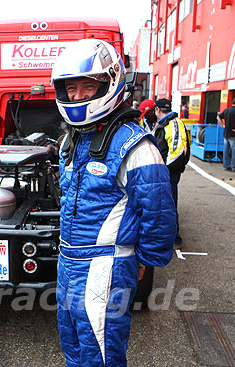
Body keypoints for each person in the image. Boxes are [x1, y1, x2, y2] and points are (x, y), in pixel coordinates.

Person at [51, 39, 176, 367]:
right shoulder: (70, 140)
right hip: (68, 263)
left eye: (87, 86)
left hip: (105, 267)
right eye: (71, 88)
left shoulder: (135, 145)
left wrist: (143, 261)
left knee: (101, 357)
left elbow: (159, 213)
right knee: (75, 351)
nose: (77, 96)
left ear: (109, 83)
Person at [153, 98, 190, 245]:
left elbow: (177, 152)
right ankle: (166, 235)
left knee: (169, 204)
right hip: (165, 171)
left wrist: (164, 171)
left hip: (169, 172)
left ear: (157, 110)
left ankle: (174, 237)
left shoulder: (172, 123)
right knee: (164, 203)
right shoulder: (165, 123)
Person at [217, 97, 235, 172]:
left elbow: (218, 116)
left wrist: (222, 124)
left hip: (226, 133)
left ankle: (226, 165)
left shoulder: (227, 110)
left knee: (226, 150)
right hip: (233, 134)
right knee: (234, 151)